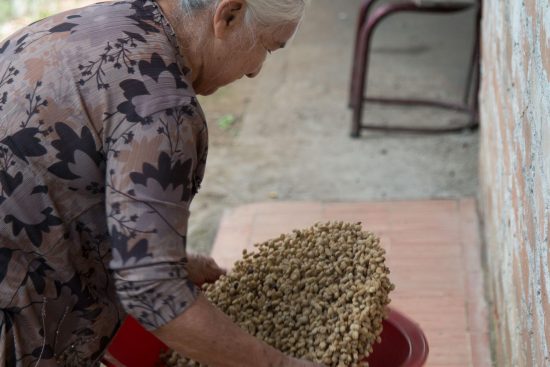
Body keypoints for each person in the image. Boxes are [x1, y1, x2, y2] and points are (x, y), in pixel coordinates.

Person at [0, 0, 322, 366]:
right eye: (266, 48)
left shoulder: (92, 22)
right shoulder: (163, 107)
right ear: (228, 15)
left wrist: (171, 260)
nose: (255, 72)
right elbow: (152, 291)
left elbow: (59, 185)